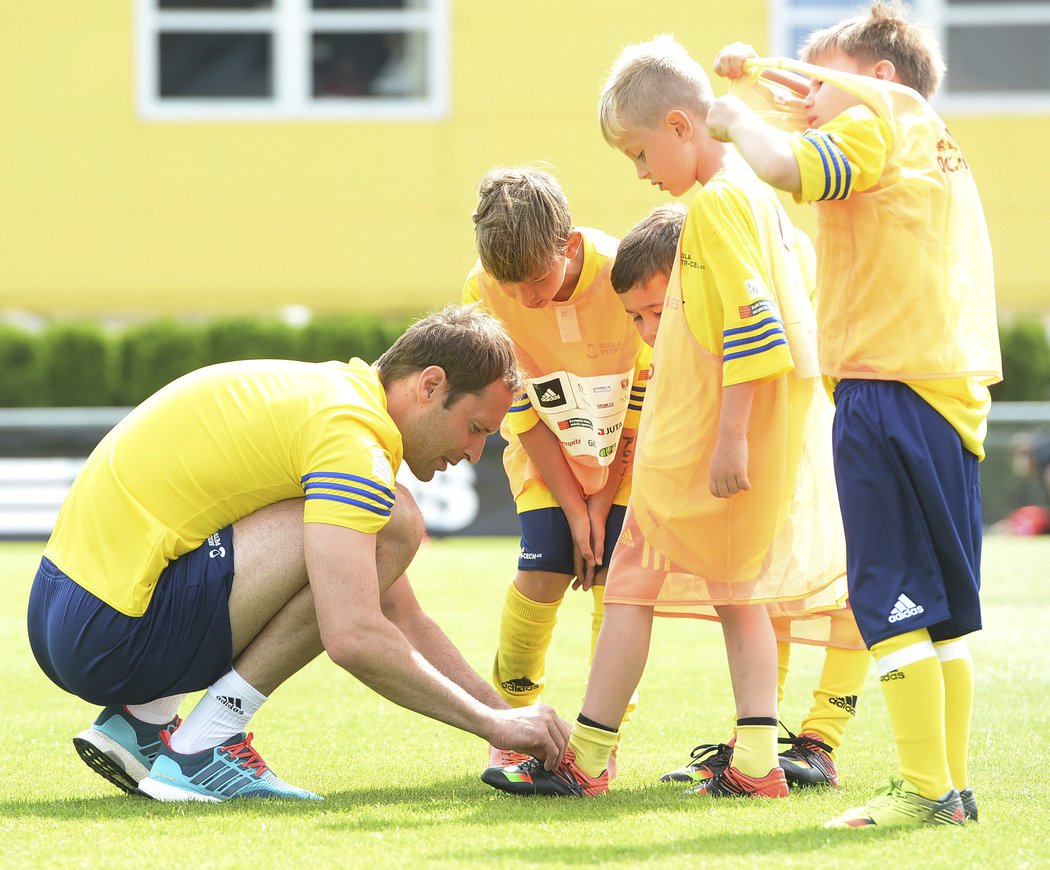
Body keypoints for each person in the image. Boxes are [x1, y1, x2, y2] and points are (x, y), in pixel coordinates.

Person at [483, 35, 848, 800]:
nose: (643, 174)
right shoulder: (752, 192)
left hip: (696, 442)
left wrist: (727, 441)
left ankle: (587, 758)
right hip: (727, 438)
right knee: (728, 595)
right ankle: (751, 763)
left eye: (641, 155)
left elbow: (757, 331)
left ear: (683, 127)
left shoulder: (714, 207)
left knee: (631, 592)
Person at [27, 304, 571, 803]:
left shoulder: (334, 395)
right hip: (108, 631)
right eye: (476, 429)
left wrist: (508, 716)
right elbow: (354, 634)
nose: (475, 453)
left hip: (60, 609)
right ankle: (204, 747)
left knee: (380, 525)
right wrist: (492, 726)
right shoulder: (352, 438)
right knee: (396, 520)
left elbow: (398, 614)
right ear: (430, 385)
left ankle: (142, 721)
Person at [707, 0, 1002, 827]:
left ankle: (919, 789)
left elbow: (788, 167)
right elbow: (812, 108)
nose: (804, 104)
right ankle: (949, 790)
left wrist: (732, 115)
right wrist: (764, 75)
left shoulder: (873, 121)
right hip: (945, 396)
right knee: (940, 615)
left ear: (876, 78)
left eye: (818, 84)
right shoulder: (922, 132)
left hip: (885, 391)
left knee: (888, 597)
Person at [609, 202, 869, 790]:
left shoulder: (763, 257)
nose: (650, 331)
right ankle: (758, 738)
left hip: (820, 442)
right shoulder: (683, 324)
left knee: (845, 592)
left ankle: (823, 739)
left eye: (657, 312)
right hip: (770, 460)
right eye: (638, 319)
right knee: (762, 588)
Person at [463, 167, 650, 769]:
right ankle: (515, 728)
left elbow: (643, 405)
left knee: (616, 587)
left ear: (568, 247)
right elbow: (519, 408)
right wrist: (575, 507)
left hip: (629, 451)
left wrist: (601, 504)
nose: (522, 300)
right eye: (506, 285)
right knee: (544, 567)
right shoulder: (482, 288)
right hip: (546, 452)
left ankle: (600, 742)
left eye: (533, 280)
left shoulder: (629, 272)